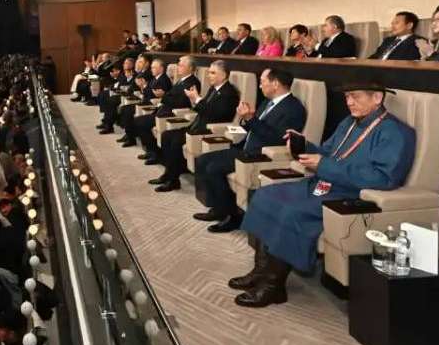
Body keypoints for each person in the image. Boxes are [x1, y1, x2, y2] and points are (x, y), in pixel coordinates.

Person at [234, 83, 415, 307]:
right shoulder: (349, 122)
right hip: (322, 183)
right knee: (265, 194)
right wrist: (303, 144)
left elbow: (383, 178)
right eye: (347, 97)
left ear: (377, 97)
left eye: (355, 97)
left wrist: (325, 166)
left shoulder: (395, 132)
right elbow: (326, 153)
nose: (349, 102)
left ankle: (273, 285)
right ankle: (261, 270)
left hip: (350, 194)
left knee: (291, 211)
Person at [194, 68, 306, 232]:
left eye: (262, 82)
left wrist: (250, 119)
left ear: (275, 84)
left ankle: (233, 217)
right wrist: (246, 119)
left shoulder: (293, 108)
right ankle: (219, 209)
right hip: (245, 148)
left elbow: (277, 139)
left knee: (213, 168)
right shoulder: (268, 102)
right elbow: (254, 127)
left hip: (260, 155)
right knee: (203, 159)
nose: (260, 86)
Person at [149, 60, 239, 191]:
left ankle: (173, 181)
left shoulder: (229, 93)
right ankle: (168, 174)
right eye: (209, 72)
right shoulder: (213, 89)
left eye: (213, 73)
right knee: (166, 135)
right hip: (197, 125)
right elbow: (203, 109)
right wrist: (194, 100)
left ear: (224, 75)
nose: (209, 75)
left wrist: (197, 99)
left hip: (209, 130)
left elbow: (217, 115)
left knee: (175, 141)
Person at [135, 56, 199, 165]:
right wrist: (165, 96)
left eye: (181, 65)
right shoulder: (180, 80)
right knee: (138, 121)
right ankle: (151, 151)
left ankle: (156, 154)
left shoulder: (192, 82)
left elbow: (182, 101)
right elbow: (171, 95)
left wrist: (164, 95)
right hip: (163, 109)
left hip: (172, 113)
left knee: (141, 122)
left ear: (190, 68)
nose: (178, 67)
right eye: (178, 65)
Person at [120, 58, 169, 148]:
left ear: (161, 69)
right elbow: (147, 92)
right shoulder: (155, 78)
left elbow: (155, 95)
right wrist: (143, 87)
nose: (151, 69)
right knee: (125, 109)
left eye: (154, 68)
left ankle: (132, 138)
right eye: (152, 67)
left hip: (152, 105)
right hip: (146, 101)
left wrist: (144, 86)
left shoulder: (164, 79)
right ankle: (130, 136)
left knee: (128, 111)